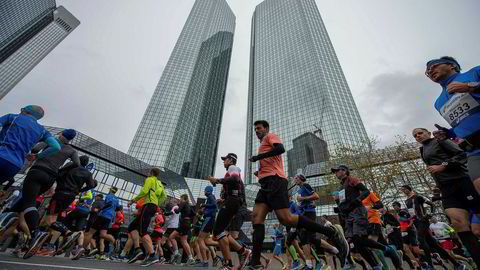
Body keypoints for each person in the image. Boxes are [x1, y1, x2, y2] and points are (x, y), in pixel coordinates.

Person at [247, 120, 348, 270]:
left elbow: (280, 149)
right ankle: (255, 262)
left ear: (266, 129)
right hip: (265, 184)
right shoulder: (262, 145)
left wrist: (258, 158)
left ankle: (331, 232)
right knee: (256, 218)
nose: (257, 131)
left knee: (286, 219)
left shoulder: (270, 137)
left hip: (276, 180)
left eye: (259, 129)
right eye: (255, 129)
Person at [413, 127, 480, 266]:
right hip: (446, 189)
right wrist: (438, 185)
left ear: (428, 133)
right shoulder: (422, 150)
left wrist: (444, 165)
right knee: (457, 223)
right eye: (415, 135)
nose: (418, 136)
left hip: (462, 181)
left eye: (420, 133)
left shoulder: (440, 140)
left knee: (477, 229)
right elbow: (434, 169)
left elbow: (461, 154)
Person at [15, 128, 79, 259]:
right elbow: (77, 163)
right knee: (24, 204)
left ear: (62, 134)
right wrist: (61, 168)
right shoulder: (72, 150)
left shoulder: (52, 140)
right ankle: (27, 239)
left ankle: (34, 234)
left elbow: (35, 149)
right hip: (51, 177)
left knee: (28, 203)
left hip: (38, 171)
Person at [424, 56, 480, 194]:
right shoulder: (438, 103)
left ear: (451, 66)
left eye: (433, 66)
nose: (430, 71)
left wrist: (471, 87)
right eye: (427, 72)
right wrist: (448, 133)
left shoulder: (474, 73)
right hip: (473, 150)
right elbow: (462, 123)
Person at [333, 165, 402, 270]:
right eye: (335, 172)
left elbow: (366, 191)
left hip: (358, 213)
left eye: (337, 171)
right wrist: (338, 205)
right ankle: (376, 266)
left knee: (358, 238)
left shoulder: (352, 180)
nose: (336, 173)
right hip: (349, 216)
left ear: (344, 171)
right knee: (357, 243)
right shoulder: (340, 187)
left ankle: (387, 249)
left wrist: (358, 199)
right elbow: (345, 204)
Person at [400, 185, 464, 270]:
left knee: (420, 238)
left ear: (409, 189)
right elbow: (412, 213)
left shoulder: (418, 197)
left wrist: (430, 214)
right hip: (416, 223)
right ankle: (456, 264)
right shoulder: (406, 201)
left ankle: (431, 266)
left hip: (423, 221)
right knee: (434, 244)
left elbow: (432, 204)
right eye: (402, 190)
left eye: (405, 189)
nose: (404, 191)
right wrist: (410, 220)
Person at [0, 105, 60, 195]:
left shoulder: (13, 117)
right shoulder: (42, 131)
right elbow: (56, 147)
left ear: (26, 111)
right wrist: (36, 156)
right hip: (15, 166)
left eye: (22, 109)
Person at [208, 153, 252, 269]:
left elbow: (235, 179)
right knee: (220, 232)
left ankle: (229, 263)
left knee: (217, 231)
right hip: (232, 202)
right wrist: (222, 200)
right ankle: (243, 252)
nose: (223, 162)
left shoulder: (233, 168)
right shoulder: (231, 170)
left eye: (225, 160)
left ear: (231, 160)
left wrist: (217, 180)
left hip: (233, 202)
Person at [127, 167, 166, 266]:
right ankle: (138, 250)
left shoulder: (149, 179)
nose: (148, 173)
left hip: (148, 205)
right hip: (153, 206)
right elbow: (164, 196)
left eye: (149, 172)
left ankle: (152, 255)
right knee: (132, 227)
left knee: (142, 231)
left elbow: (144, 191)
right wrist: (156, 203)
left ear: (152, 173)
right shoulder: (160, 183)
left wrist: (133, 200)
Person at [73, 187, 119, 260]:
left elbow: (108, 203)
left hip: (103, 215)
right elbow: (117, 208)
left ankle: (81, 250)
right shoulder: (117, 199)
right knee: (103, 235)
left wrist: (101, 209)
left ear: (110, 190)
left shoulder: (109, 196)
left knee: (90, 233)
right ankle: (114, 241)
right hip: (109, 217)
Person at [294, 173, 320, 270]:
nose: (295, 180)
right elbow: (312, 199)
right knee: (304, 239)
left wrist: (303, 199)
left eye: (296, 178)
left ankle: (334, 250)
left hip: (309, 213)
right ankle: (309, 264)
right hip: (303, 214)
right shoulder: (300, 189)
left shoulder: (305, 185)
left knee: (310, 238)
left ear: (301, 179)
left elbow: (316, 196)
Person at [196, 185, 217, 267]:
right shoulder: (211, 197)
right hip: (210, 220)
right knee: (207, 241)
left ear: (208, 191)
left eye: (205, 190)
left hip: (209, 219)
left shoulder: (210, 196)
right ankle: (223, 244)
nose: (204, 192)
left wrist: (204, 205)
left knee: (199, 239)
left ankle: (205, 261)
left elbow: (214, 205)